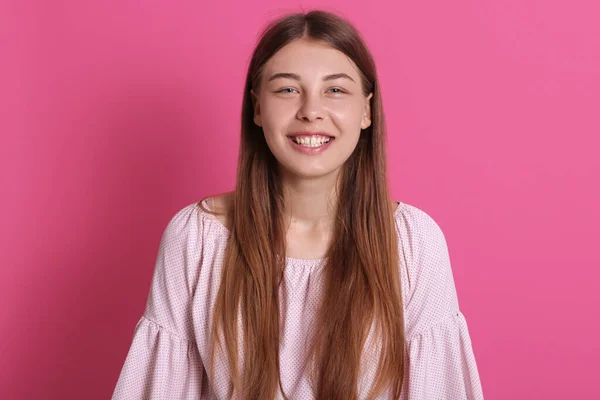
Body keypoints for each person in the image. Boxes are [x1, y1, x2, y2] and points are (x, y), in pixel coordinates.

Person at [112, 9, 484, 400]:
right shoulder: (196, 239)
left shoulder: (413, 243)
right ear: (257, 108)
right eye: (288, 89)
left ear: (366, 111)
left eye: (335, 90)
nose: (310, 110)